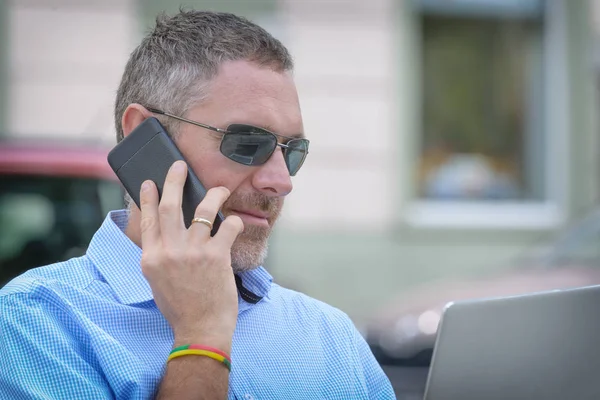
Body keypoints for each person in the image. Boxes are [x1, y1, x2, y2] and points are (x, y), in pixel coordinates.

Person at [0, 10, 396, 400]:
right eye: (247, 143)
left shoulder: (330, 334)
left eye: (293, 151)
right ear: (143, 135)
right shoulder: (34, 322)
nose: (281, 181)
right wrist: (201, 337)